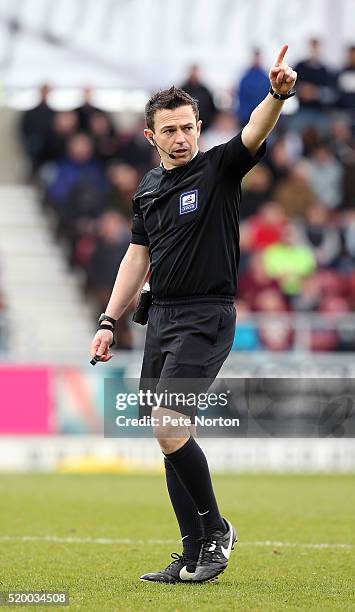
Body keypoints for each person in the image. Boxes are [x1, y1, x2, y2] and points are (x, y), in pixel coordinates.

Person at [90, 44, 297, 584]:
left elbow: (254, 131)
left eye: (188, 127)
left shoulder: (219, 168)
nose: (181, 138)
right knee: (167, 438)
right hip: (161, 320)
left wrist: (276, 95)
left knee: (168, 423)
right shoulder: (148, 190)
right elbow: (137, 257)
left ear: (199, 127)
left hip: (207, 315)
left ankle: (216, 532)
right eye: (170, 130)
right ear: (150, 137)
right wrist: (109, 321)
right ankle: (190, 552)